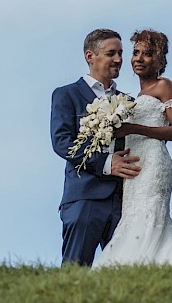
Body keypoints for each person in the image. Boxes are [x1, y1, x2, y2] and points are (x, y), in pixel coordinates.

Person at [95, 29, 172, 266]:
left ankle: (141, 265)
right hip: (134, 167)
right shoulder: (135, 96)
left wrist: (134, 128)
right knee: (133, 216)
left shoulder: (164, 86)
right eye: (136, 52)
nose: (139, 58)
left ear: (160, 60)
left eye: (147, 54)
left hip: (153, 165)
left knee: (149, 217)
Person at [50, 28, 143, 266]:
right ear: (90, 56)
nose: (119, 60)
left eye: (121, 53)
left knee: (125, 275)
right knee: (75, 273)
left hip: (124, 200)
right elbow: (62, 143)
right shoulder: (66, 95)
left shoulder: (130, 102)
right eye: (111, 53)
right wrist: (106, 163)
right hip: (84, 197)